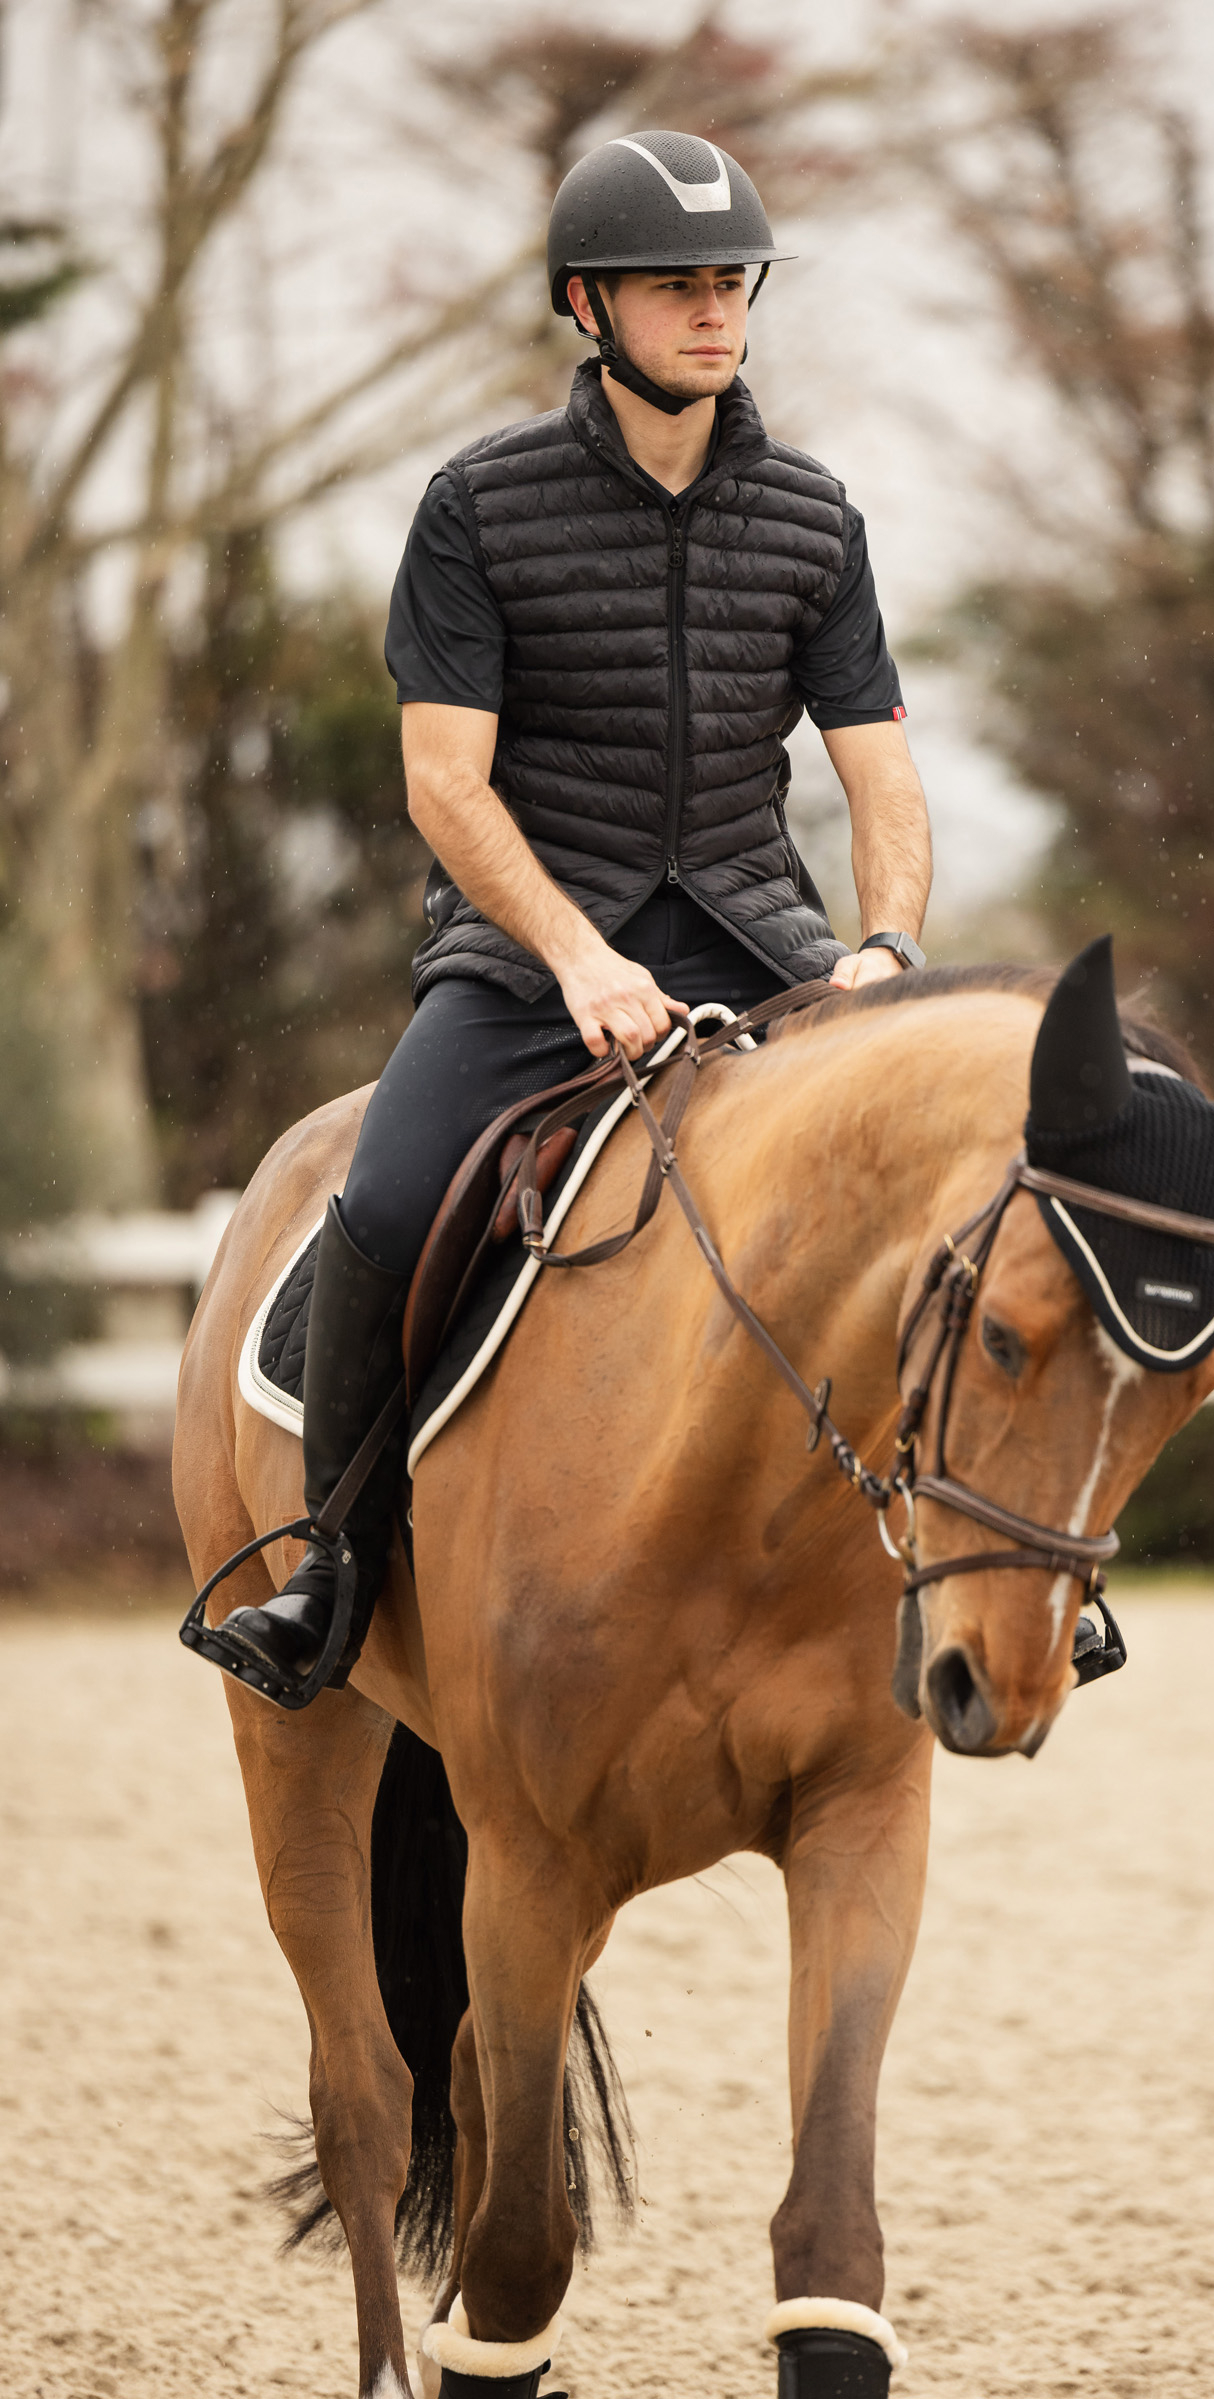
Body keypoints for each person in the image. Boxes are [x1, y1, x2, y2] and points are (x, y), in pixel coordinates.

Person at [200, 128, 933, 1706]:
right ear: (588, 305)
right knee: (388, 1204)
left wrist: (885, 951)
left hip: (757, 943)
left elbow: (881, 771)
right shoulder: (478, 507)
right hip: (533, 953)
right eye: (680, 286)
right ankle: (332, 1566)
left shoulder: (815, 517)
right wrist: (580, 956)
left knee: (940, 1187)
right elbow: (446, 786)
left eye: (732, 281)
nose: (719, 311)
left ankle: (972, 1554)